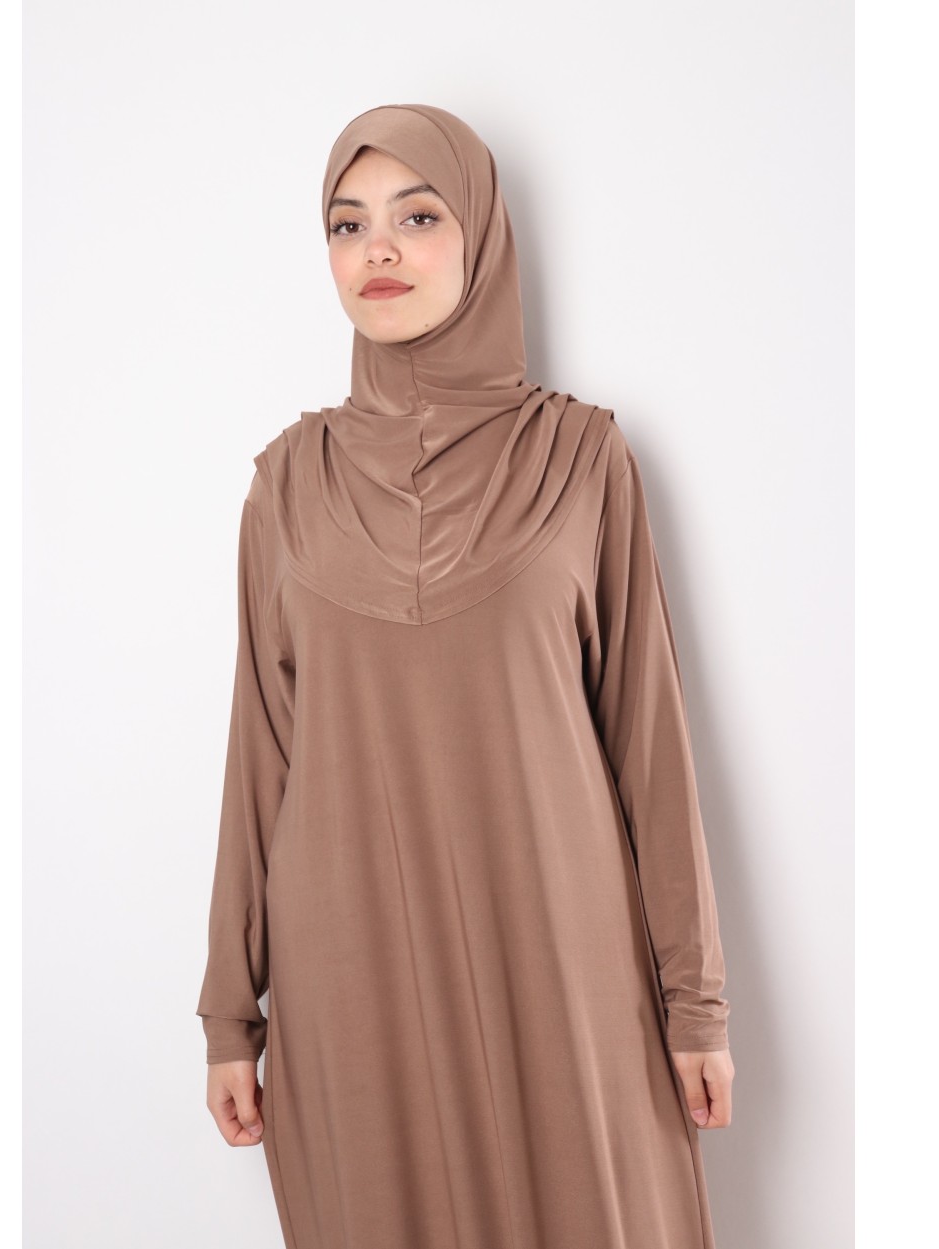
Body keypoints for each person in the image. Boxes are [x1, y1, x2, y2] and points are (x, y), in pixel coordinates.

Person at [197, 102, 735, 1249]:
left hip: (562, 955)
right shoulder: (287, 486)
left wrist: (695, 1002)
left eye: (417, 216)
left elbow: (649, 744)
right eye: (346, 224)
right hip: (351, 970)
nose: (377, 250)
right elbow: (260, 760)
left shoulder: (579, 457)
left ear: (482, 235)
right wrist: (228, 1016)